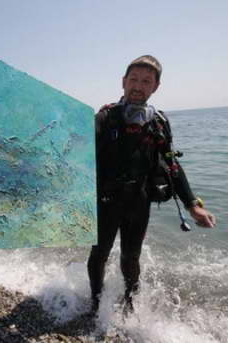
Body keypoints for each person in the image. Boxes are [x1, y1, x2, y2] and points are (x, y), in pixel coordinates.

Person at [87, 55, 216, 315]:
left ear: (155, 87)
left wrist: (192, 205)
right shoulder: (105, 117)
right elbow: (79, 159)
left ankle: (130, 305)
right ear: (123, 82)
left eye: (146, 81)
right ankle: (95, 303)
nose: (138, 86)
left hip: (139, 201)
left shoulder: (159, 122)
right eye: (133, 79)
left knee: (131, 258)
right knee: (99, 253)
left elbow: (172, 166)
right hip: (105, 201)